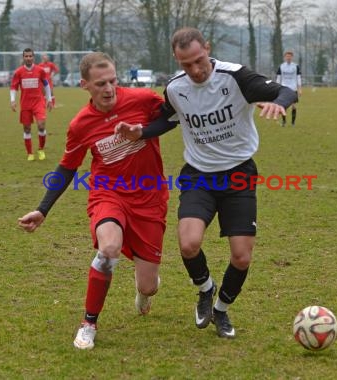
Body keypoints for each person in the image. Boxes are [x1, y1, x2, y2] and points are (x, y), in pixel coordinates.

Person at [116, 27, 297, 339]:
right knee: (188, 244)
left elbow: (287, 92)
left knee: (241, 256)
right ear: (178, 61)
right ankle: (205, 289)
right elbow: (168, 119)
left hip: (238, 173)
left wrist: (279, 103)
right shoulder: (176, 88)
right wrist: (141, 132)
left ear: (208, 49)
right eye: (186, 64)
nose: (195, 70)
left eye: (199, 60)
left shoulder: (235, 77)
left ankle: (221, 311)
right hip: (198, 174)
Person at [17, 52, 170, 350]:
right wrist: (43, 209)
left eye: (113, 81)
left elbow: (172, 118)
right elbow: (67, 167)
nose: (109, 88)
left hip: (150, 196)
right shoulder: (80, 125)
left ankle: (143, 292)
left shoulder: (142, 99)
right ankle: (89, 322)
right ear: (84, 84)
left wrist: (142, 132)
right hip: (108, 193)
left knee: (148, 285)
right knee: (108, 247)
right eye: (101, 83)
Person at [10, 48, 53, 161]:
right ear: (23, 57)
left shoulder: (40, 70)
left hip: (38, 102)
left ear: (33, 57)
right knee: (27, 129)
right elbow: (14, 87)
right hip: (25, 104)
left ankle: (41, 149)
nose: (28, 58)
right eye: (26, 56)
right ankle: (30, 153)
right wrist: (12, 100)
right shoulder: (18, 72)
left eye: (30, 56)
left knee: (41, 125)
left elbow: (46, 84)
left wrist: (49, 99)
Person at [275, 51, 302, 127]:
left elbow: (298, 78)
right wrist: (277, 88)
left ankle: (293, 123)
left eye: (290, 56)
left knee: (294, 106)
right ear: (285, 57)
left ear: (292, 57)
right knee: (283, 106)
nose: (288, 58)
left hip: (293, 89)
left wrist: (299, 88)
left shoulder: (296, 66)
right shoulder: (281, 66)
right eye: (287, 56)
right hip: (284, 88)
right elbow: (278, 78)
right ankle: (284, 122)